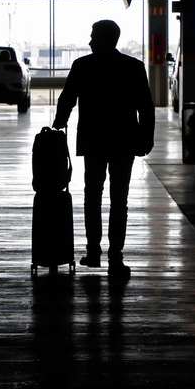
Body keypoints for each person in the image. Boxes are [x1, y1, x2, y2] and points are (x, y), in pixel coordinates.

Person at [52, 19, 155, 275]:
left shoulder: (83, 65)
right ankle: (115, 256)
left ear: (103, 39)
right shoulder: (133, 67)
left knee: (92, 197)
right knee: (119, 199)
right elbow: (146, 107)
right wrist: (146, 138)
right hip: (124, 141)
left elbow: (67, 99)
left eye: (93, 36)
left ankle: (93, 252)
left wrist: (58, 125)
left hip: (93, 140)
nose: (89, 41)